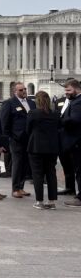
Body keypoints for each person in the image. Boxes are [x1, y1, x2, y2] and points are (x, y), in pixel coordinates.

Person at [26, 91, 60, 210]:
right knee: (51, 173)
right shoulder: (56, 114)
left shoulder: (33, 113)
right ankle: (51, 201)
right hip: (52, 148)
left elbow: (28, 129)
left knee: (37, 174)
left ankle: (39, 201)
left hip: (36, 147)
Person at [0, 83, 35, 198]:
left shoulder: (31, 103)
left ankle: (21, 187)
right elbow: (5, 123)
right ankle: (15, 189)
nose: (24, 91)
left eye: (25, 89)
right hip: (16, 139)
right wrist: (9, 137)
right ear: (15, 91)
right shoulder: (9, 103)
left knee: (25, 163)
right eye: (21, 90)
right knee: (17, 163)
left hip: (29, 139)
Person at [60, 79, 81, 208]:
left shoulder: (78, 102)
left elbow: (75, 120)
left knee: (80, 170)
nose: (66, 93)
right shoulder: (76, 101)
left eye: (68, 90)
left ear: (76, 89)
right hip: (76, 140)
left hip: (77, 140)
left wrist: (60, 120)